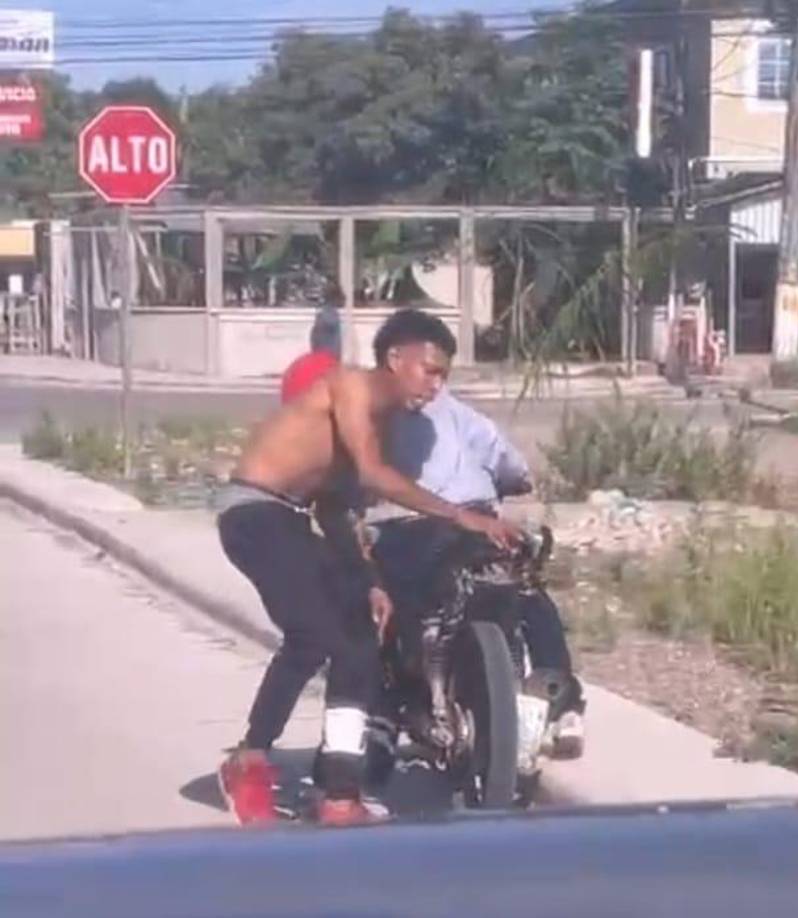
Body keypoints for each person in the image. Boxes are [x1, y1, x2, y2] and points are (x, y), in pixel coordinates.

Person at [216, 308, 520, 827]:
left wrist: (371, 582)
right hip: (254, 512)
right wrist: (460, 515)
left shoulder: (377, 423)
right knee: (316, 636)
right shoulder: (351, 386)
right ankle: (250, 761)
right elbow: (373, 475)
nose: (436, 386)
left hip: (290, 519)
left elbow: (335, 507)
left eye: (445, 375)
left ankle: (338, 792)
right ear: (395, 359)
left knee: (358, 640)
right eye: (430, 370)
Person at [369, 388, 586, 759]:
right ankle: (562, 704)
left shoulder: (371, 415)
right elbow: (513, 469)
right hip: (477, 523)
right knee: (528, 594)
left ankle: (384, 716)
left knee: (393, 608)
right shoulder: (461, 416)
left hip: (403, 527)